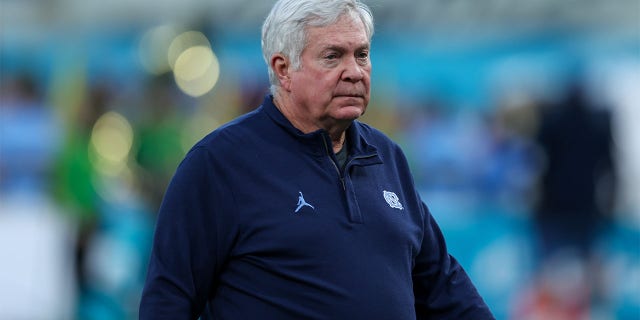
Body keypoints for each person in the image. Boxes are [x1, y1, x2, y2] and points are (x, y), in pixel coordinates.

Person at [139, 0, 494, 319]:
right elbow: (169, 299)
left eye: (362, 54)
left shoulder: (386, 157)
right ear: (283, 70)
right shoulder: (219, 164)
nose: (354, 71)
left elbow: (442, 286)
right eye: (333, 56)